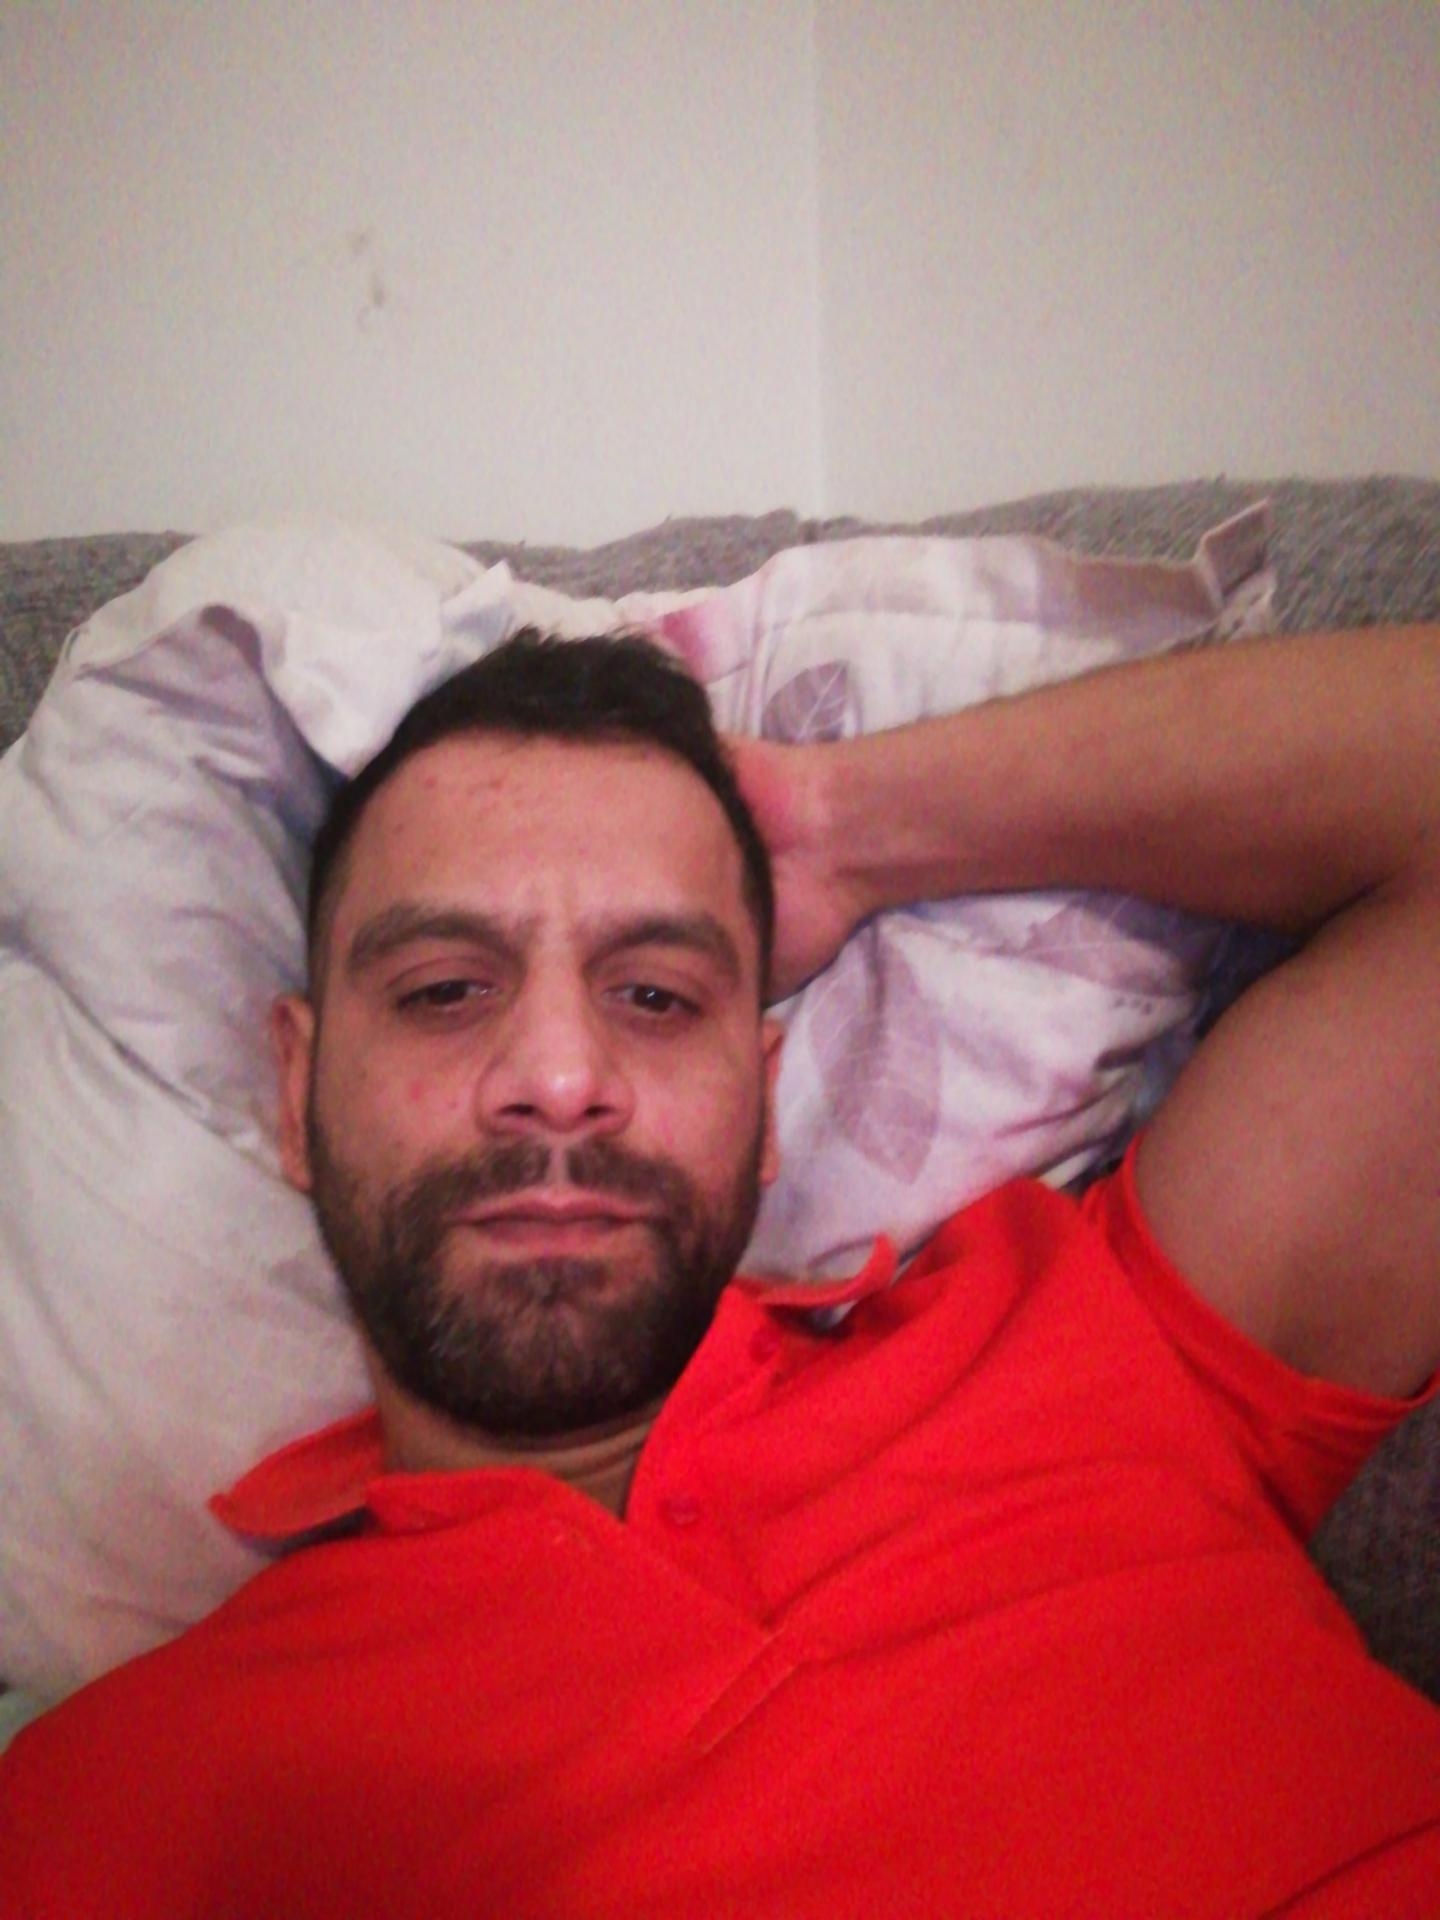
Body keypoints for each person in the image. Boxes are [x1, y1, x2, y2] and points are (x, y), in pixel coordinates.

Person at [1, 622, 1438, 1917]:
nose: (560, 1076)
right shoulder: (133, 1796)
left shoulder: (1085, 1333)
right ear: (296, 1091)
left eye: (656, 993)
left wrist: (842, 829)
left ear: (762, 1100)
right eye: (444, 990)